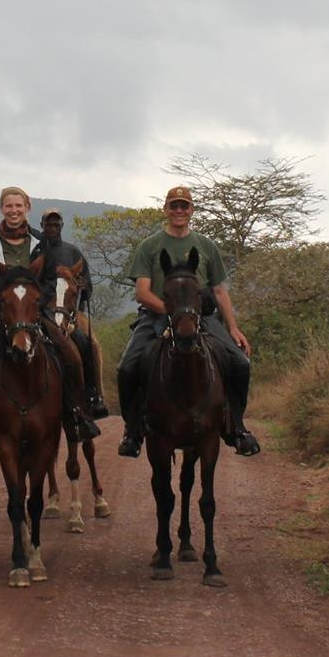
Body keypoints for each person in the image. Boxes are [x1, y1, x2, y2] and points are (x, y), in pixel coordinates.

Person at [115, 185, 260, 458]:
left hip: (203, 317)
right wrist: (174, 312)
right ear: (166, 209)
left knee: (240, 363)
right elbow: (142, 292)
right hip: (156, 315)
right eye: (174, 206)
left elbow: (219, 290)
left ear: (191, 210)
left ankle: (236, 427)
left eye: (184, 206)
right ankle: (132, 431)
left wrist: (233, 327)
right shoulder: (150, 246)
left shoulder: (206, 246)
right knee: (126, 368)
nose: (179, 211)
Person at [0, 186, 98, 447]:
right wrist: (4, 304)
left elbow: (51, 279)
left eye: (18, 206)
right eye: (9, 206)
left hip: (35, 313)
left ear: (27, 207)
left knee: (72, 355)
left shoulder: (42, 243)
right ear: (1, 209)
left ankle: (77, 412)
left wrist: (36, 303)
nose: (14, 211)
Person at [38, 208, 111, 419]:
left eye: (56, 224)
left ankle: (94, 395)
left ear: (62, 226)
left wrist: (83, 286)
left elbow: (86, 283)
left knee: (90, 343)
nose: (52, 228)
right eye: (48, 224)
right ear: (42, 225)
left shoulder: (73, 253)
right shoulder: (35, 251)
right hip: (41, 309)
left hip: (69, 310)